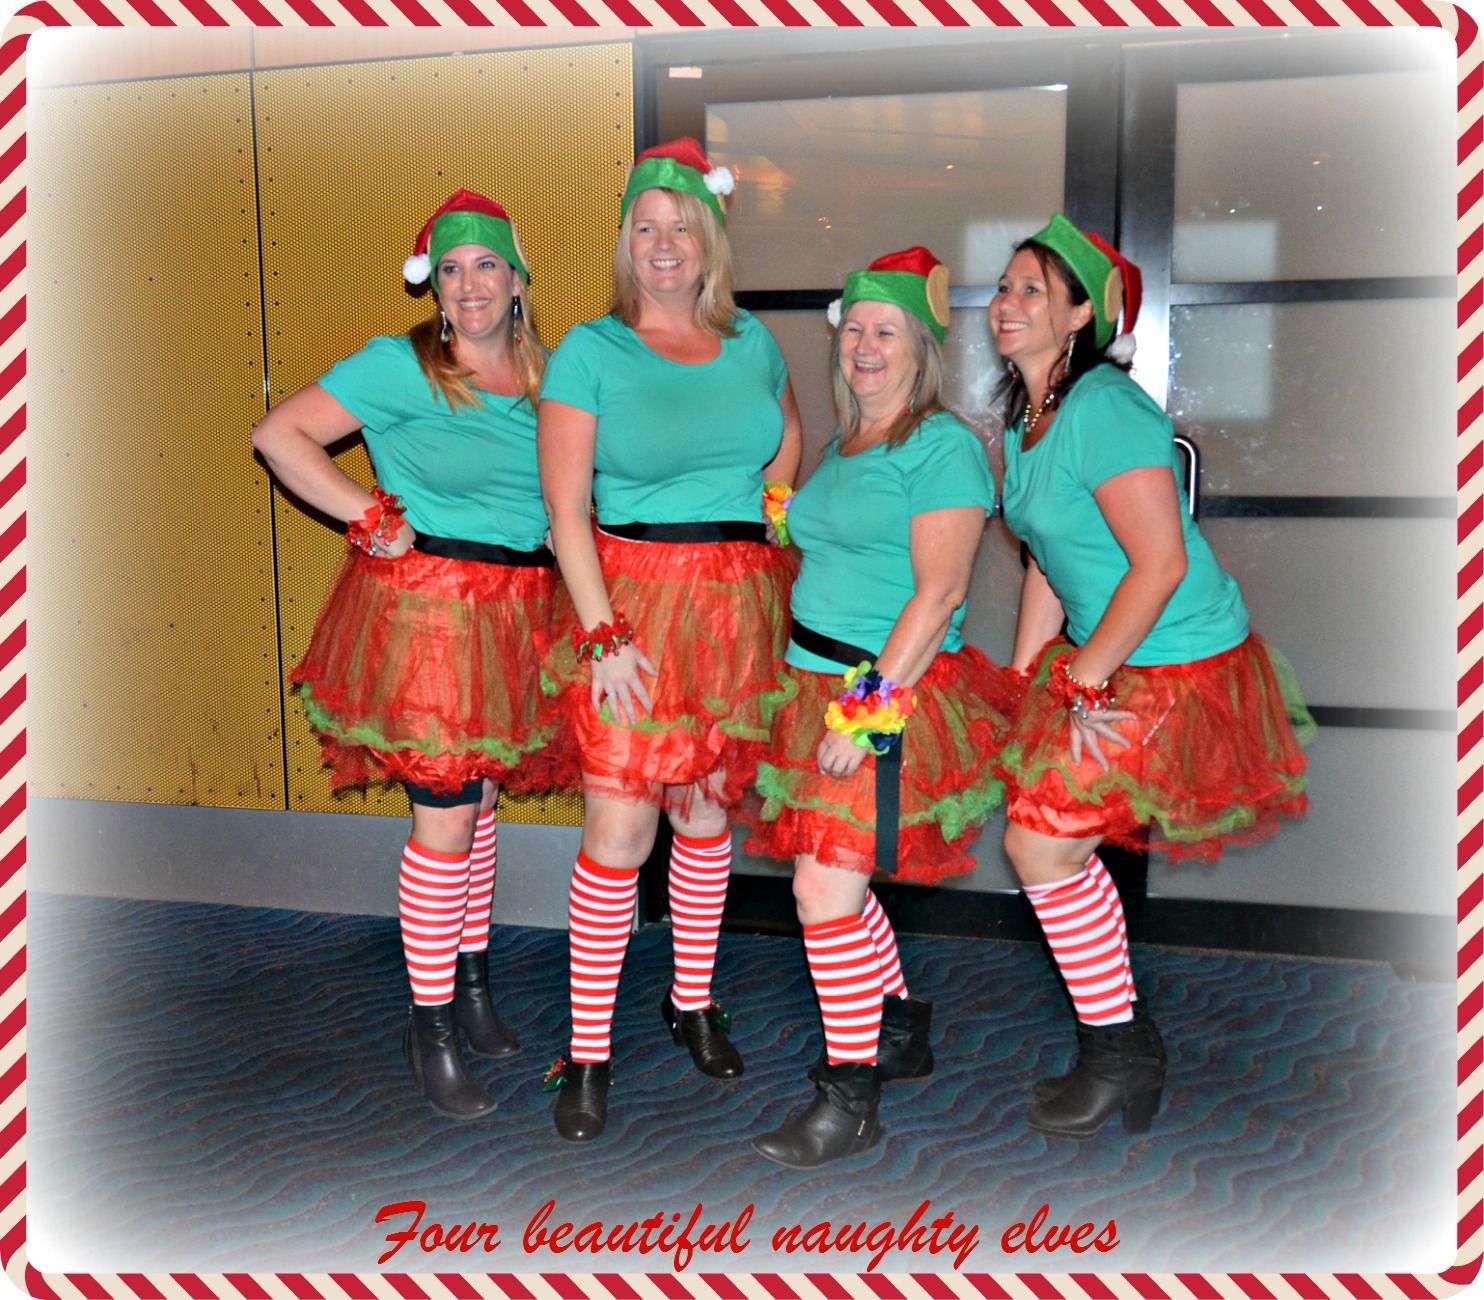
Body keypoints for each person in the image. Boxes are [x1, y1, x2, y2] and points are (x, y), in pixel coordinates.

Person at [991, 213, 1314, 1139]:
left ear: (1080, 314)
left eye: (1032, 292)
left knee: (1041, 844)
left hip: (1174, 659)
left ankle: (1123, 1050)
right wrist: (1022, 678)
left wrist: (1084, 680)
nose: (1007, 305)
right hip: (1105, 657)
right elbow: (1046, 560)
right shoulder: (1028, 417)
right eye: (1006, 287)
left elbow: (1160, 563)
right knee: (1043, 842)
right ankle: (1120, 1047)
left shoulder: (1105, 407)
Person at [252, 189, 568, 1121]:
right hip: (429, 615)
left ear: (517, 280)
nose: (472, 285)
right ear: (436, 286)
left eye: (489, 266)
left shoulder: (550, 375)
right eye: (455, 269)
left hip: (519, 614)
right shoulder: (401, 367)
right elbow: (280, 435)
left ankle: (469, 986)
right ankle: (427, 1020)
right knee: (442, 820)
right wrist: (366, 516)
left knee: (479, 803)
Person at [537, 137, 802, 1143]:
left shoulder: (751, 344)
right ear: (625, 243)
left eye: (681, 226)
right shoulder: (589, 350)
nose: (662, 243)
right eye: (645, 226)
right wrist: (602, 632)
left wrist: (772, 506)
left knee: (703, 814)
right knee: (618, 832)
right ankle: (587, 1050)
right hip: (631, 610)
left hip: (736, 604)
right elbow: (565, 510)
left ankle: (690, 999)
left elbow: (787, 434)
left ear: (709, 242)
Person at [738, 247, 1019, 1168]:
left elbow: (937, 594)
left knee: (824, 888)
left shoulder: (938, 445)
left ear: (922, 350)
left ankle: (848, 1099)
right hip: (810, 680)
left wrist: (864, 715)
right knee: (840, 881)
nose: (865, 345)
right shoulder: (849, 441)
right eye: (854, 327)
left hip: (880, 691)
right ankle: (898, 1030)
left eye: (886, 331)